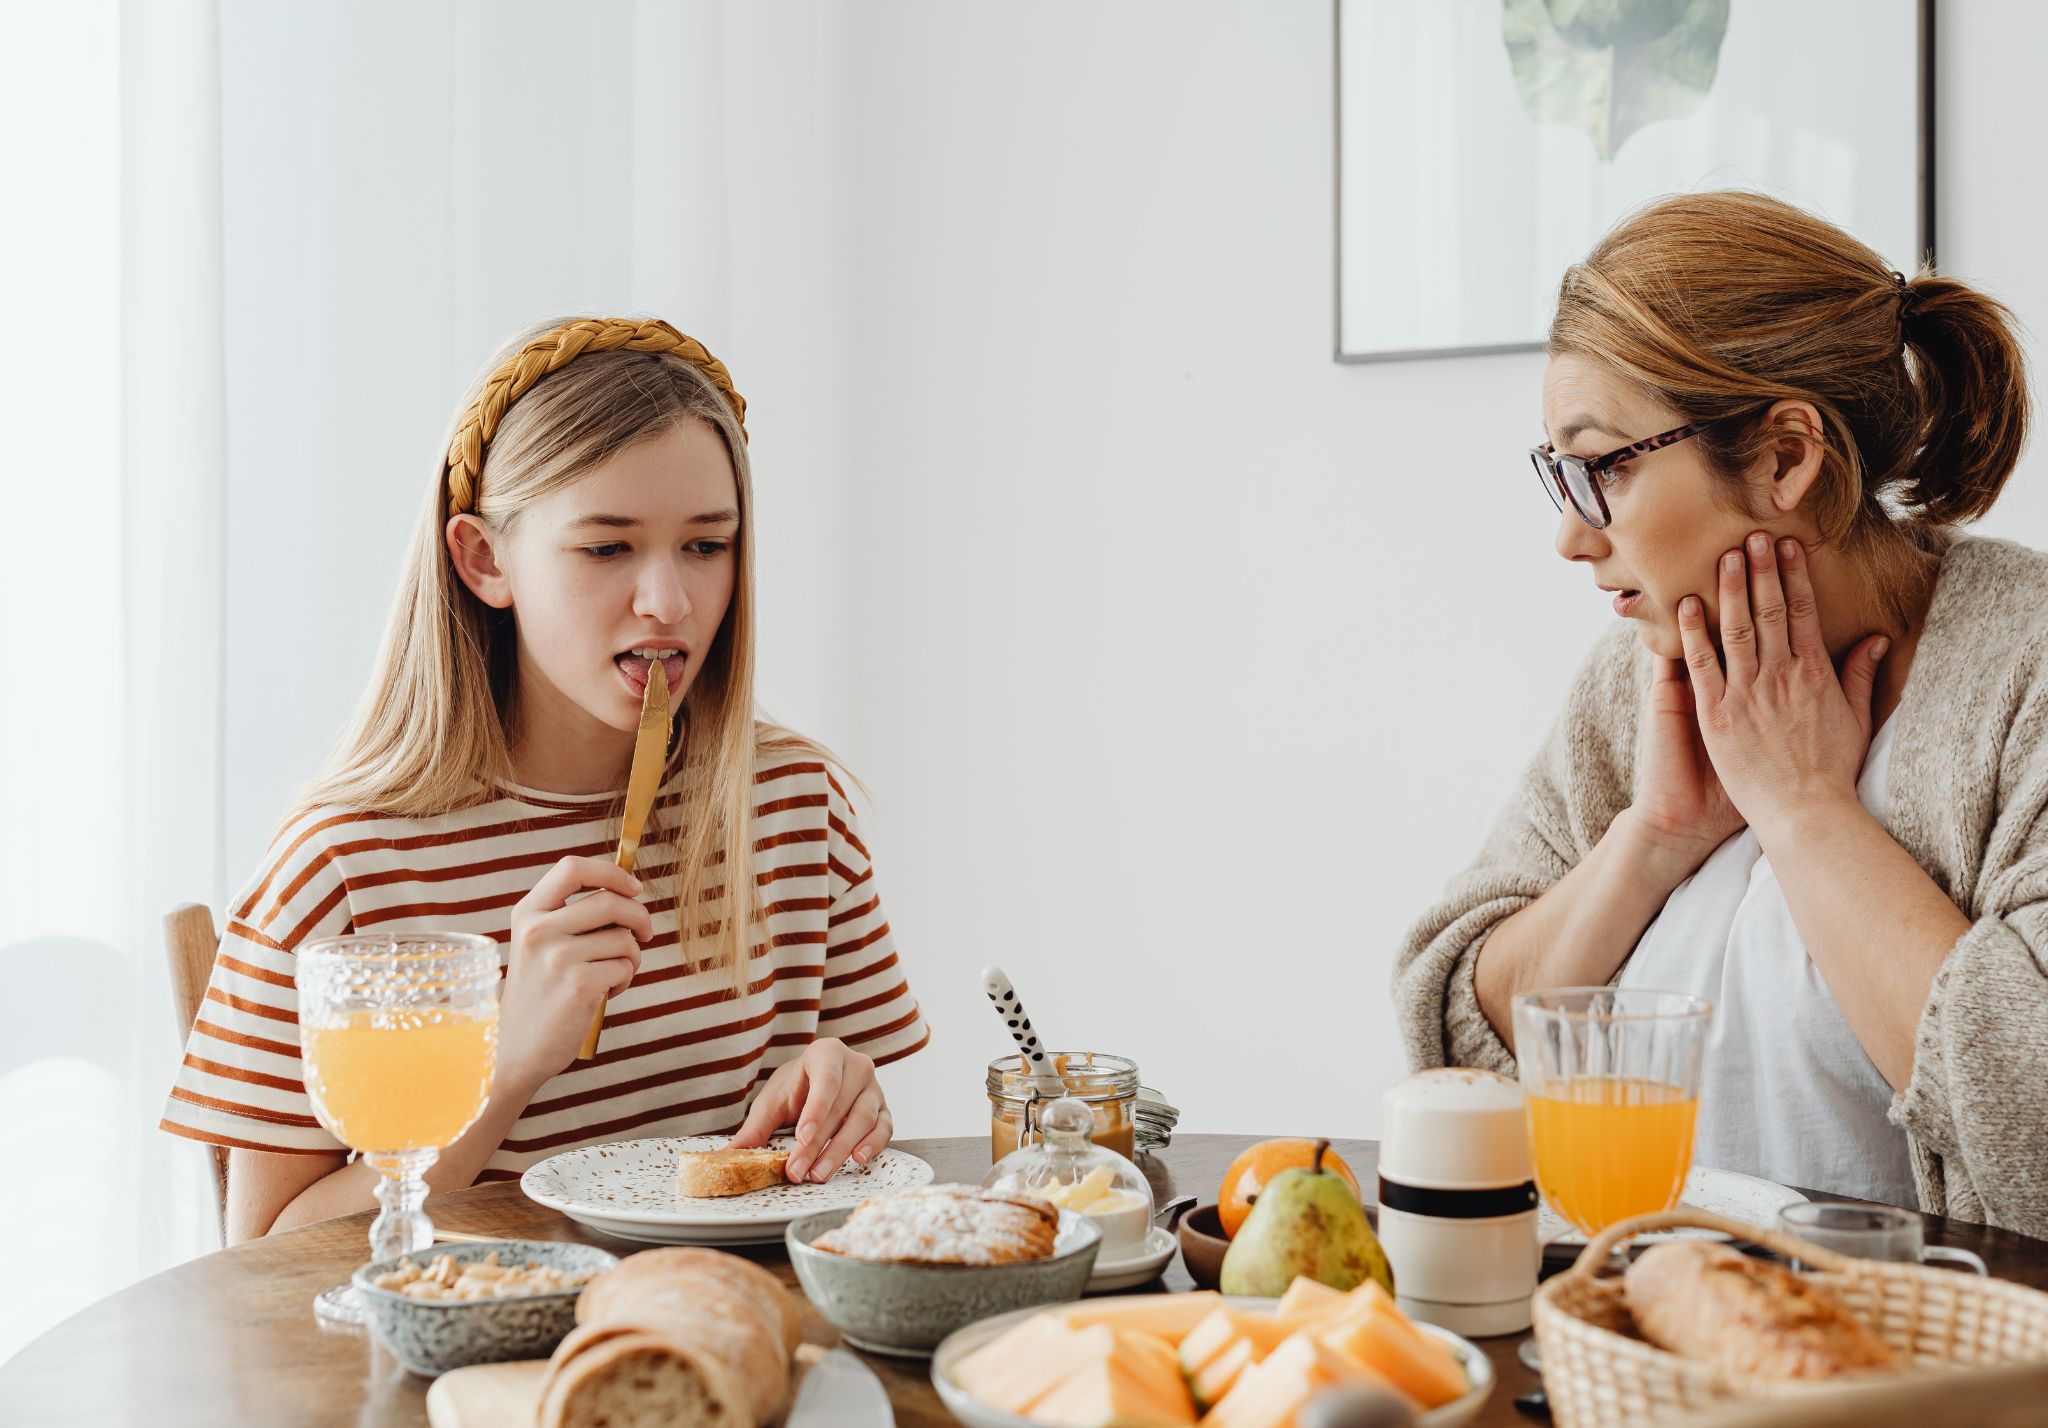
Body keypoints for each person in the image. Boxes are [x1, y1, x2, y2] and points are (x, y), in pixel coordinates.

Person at [162, 317, 929, 1242]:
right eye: (607, 548)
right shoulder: (344, 868)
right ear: (485, 560)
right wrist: (508, 1055)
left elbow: (848, 1167)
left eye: (707, 545)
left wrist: (843, 1096)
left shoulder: (796, 808)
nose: (671, 602)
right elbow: (266, 1260)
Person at [1393, 192, 2048, 1231]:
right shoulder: (1635, 679)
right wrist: (1650, 840)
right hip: (1622, 1348)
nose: (1569, 536)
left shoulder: (2026, 671)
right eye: (1555, 474)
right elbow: (1451, 1025)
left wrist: (1802, 812)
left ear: (1785, 456)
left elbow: (2035, 1119)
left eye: (1598, 465)